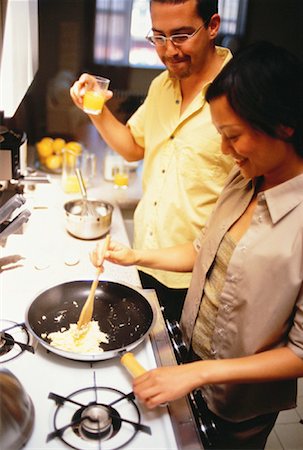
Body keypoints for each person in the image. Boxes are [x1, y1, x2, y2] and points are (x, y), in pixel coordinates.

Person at [91, 41, 303, 449]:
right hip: (187, 365)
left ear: (284, 124)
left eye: (233, 135)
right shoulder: (245, 180)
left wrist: (200, 373)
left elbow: (298, 353)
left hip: (235, 403)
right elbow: (204, 250)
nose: (225, 150)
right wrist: (136, 255)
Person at [70, 0, 234, 323]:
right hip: (145, 261)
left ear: (213, 25)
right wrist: (95, 109)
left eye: (181, 35)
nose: (169, 51)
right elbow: (133, 147)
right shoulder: (161, 86)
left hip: (200, 276)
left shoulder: (240, 92)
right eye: (158, 37)